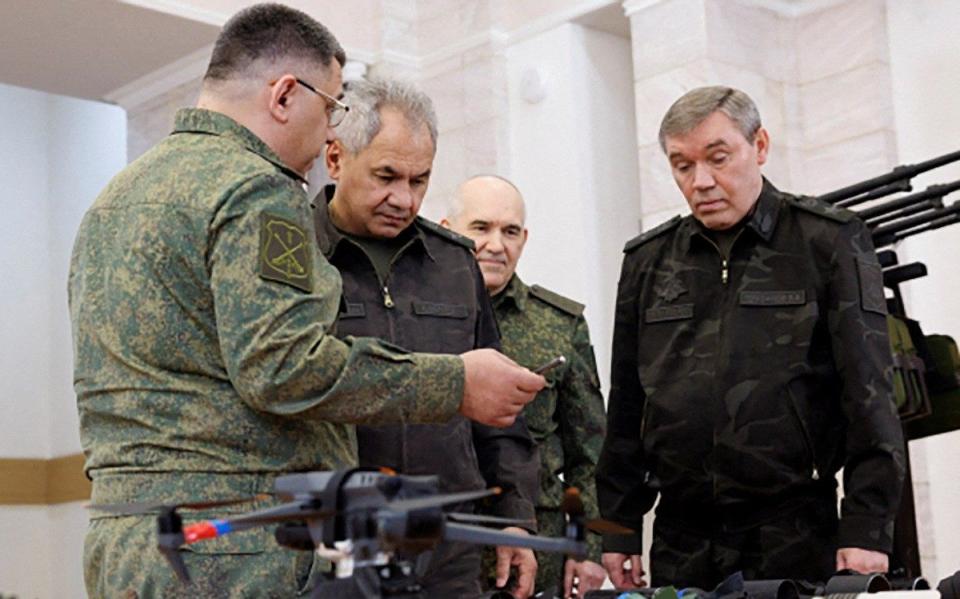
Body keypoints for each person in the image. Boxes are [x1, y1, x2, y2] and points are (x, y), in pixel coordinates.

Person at [69, 5, 543, 597]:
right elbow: (282, 367)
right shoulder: (256, 189)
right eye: (333, 107)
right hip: (239, 543)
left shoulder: (115, 200)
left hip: (130, 540)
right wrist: (455, 383)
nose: (328, 135)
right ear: (285, 94)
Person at [596, 86, 905, 589]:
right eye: (682, 166)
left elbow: (870, 396)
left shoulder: (827, 241)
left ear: (759, 146)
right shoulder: (647, 263)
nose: (701, 182)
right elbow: (626, 408)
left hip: (794, 532)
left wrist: (869, 527)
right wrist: (613, 528)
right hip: (681, 540)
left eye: (718, 158)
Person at [315, 79, 539, 599]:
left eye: (420, 180)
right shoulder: (296, 261)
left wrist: (515, 519)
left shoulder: (455, 264)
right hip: (337, 548)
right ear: (334, 158)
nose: (404, 198)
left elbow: (499, 410)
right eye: (386, 176)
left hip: (448, 548)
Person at [443, 175, 608, 598]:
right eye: (480, 228)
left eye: (510, 231)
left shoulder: (557, 324)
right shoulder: (421, 320)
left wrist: (586, 546)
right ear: (447, 230)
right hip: (441, 549)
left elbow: (588, 450)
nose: (497, 244)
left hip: (535, 552)